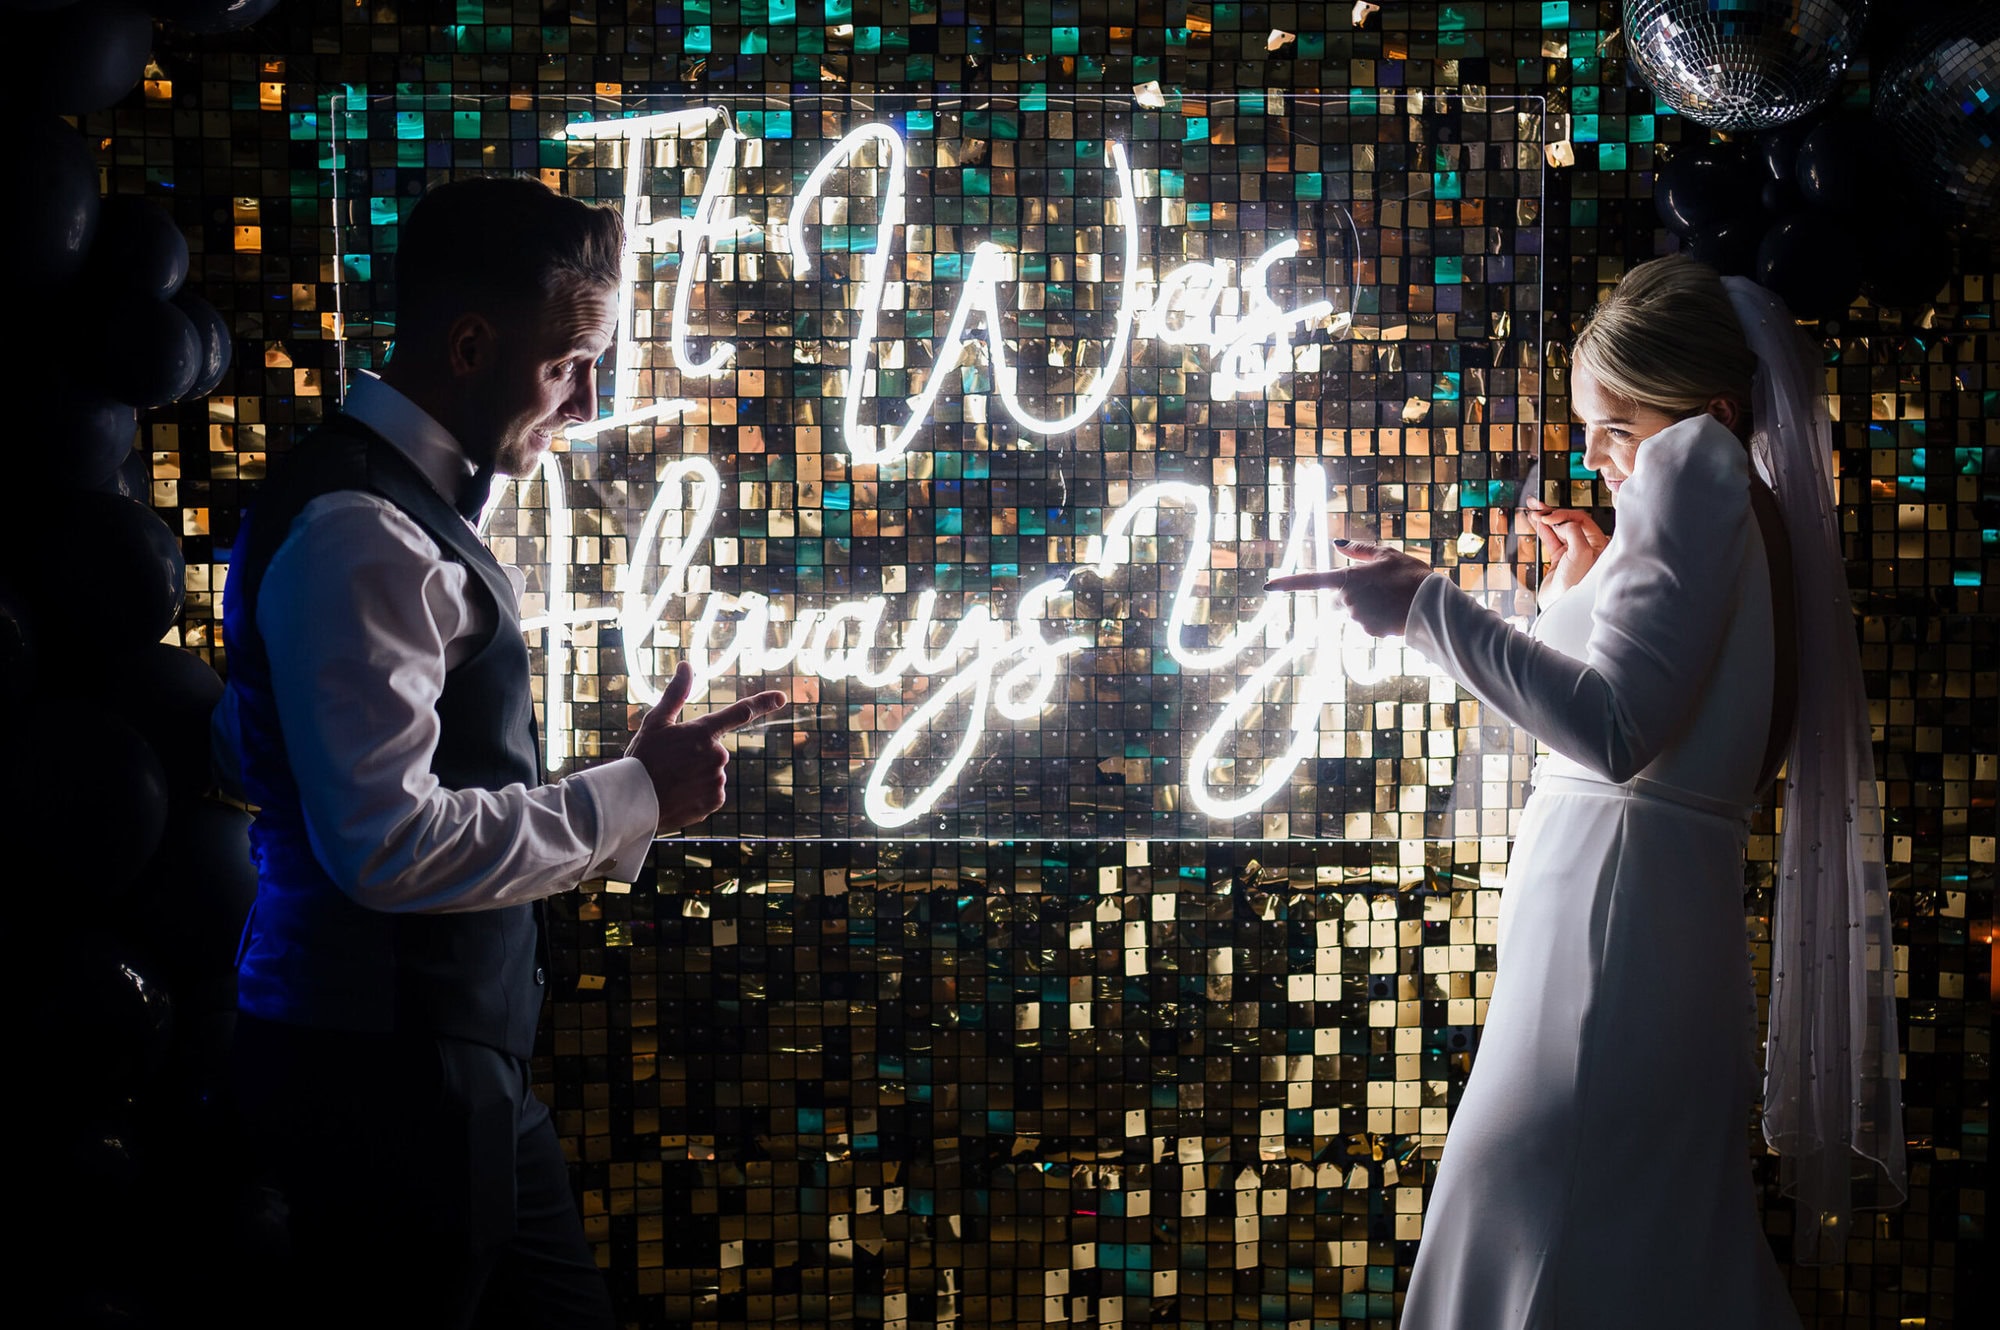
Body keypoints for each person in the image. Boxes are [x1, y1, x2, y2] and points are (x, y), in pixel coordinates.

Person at [1269, 256, 1903, 1326]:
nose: (1595, 455)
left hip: (1609, 940)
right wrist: (1576, 593)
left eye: (1615, 426)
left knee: (1538, 1217)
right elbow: (1676, 735)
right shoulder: (1738, 515)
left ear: (1708, 410)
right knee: (1625, 1242)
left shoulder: (1695, 463)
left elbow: (1613, 733)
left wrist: (1422, 604)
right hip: (1634, 928)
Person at [215, 175, 786, 1328]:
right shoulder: (361, 532)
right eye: (569, 361)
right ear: (470, 344)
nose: (586, 402)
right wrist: (626, 795)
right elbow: (385, 843)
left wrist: (630, 792)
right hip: (385, 1081)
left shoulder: (395, 510)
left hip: (447, 1070)